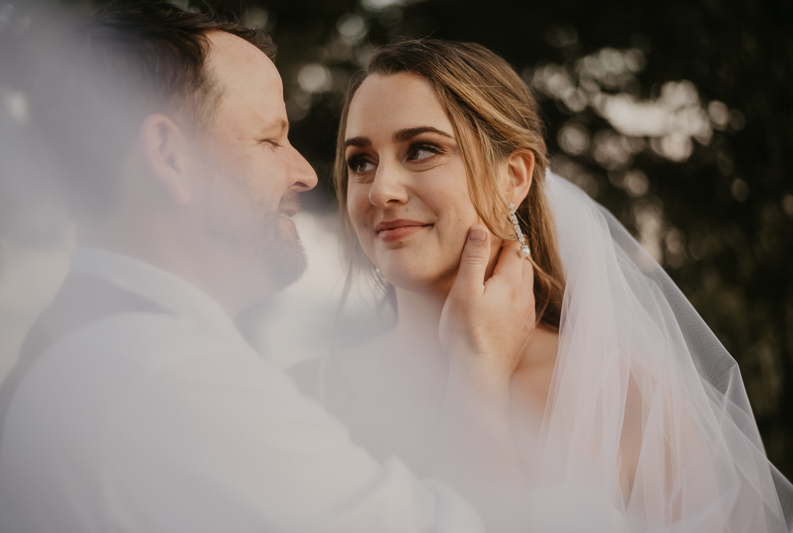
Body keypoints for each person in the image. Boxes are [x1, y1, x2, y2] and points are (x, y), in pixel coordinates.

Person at [0, 5, 536, 532]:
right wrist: (480, 367)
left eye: (421, 150)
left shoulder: (92, 346)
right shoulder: (172, 377)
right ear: (168, 155)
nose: (305, 172)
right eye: (271, 139)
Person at [291, 39, 793, 532]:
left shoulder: (627, 397)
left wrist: (479, 364)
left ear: (513, 177)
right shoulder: (301, 395)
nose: (381, 190)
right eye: (361, 161)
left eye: (422, 150)